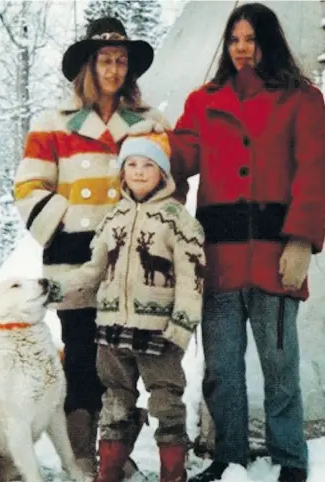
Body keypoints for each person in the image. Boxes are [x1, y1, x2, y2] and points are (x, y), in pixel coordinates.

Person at [162, 3, 325, 482]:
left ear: (268, 41)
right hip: (218, 260)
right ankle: (229, 457)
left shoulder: (303, 100)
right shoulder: (203, 101)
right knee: (222, 369)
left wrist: (301, 242)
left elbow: (315, 174)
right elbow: (178, 159)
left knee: (280, 369)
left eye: (251, 39)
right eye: (234, 39)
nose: (241, 48)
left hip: (276, 257)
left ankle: (291, 459)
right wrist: (143, 149)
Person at [13, 17, 170, 477]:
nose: (114, 68)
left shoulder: (149, 123)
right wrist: (65, 218)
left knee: (124, 360)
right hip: (72, 256)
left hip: (130, 259)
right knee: (80, 355)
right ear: (89, 64)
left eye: (122, 60)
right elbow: (27, 187)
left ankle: (115, 457)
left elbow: (167, 189)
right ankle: (82, 455)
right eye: (105, 59)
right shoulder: (52, 123)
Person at [48, 131, 205, 482]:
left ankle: (172, 471)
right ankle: (111, 470)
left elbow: (192, 279)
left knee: (166, 400)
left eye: (148, 165)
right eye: (131, 164)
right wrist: (61, 288)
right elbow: (94, 269)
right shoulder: (113, 220)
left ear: (162, 173)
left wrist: (181, 327)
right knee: (115, 400)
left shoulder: (178, 221)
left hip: (158, 333)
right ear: (122, 172)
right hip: (112, 330)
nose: (138, 171)